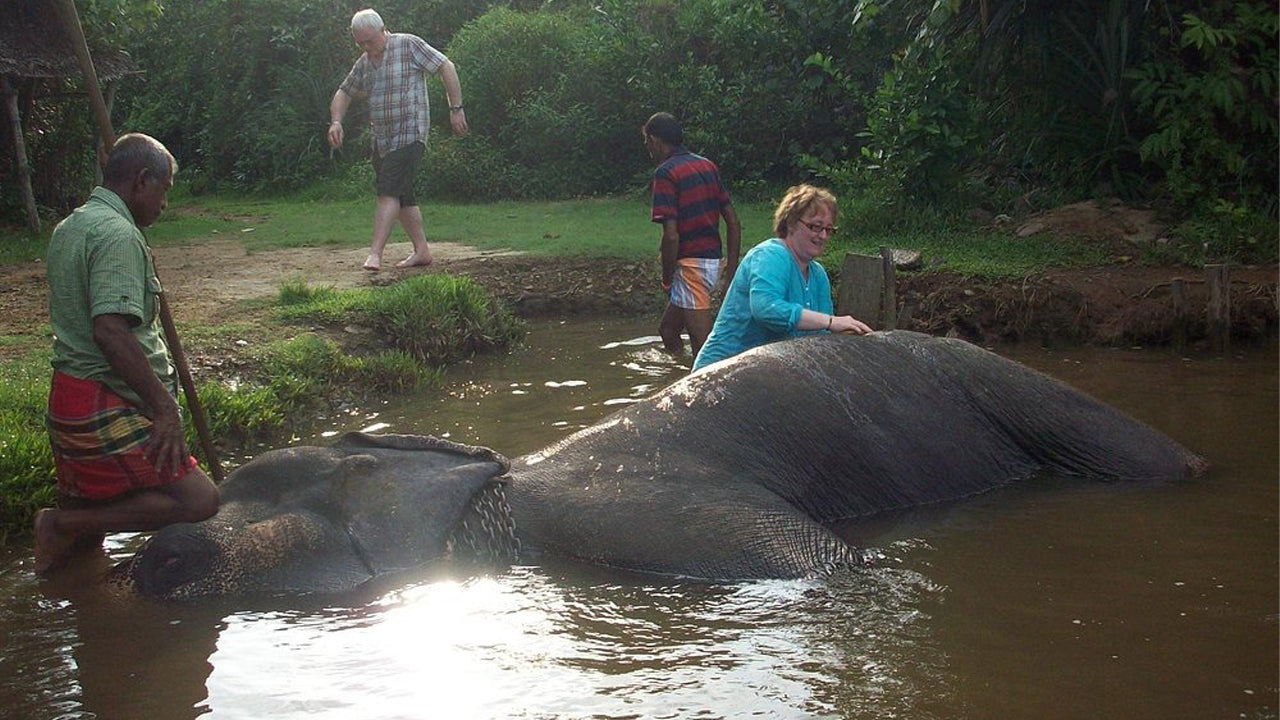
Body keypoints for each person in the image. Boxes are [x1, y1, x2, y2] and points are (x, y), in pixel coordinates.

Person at [34, 133, 220, 575]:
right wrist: (164, 408)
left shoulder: (72, 224)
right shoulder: (118, 234)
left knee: (80, 561)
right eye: (165, 190)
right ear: (142, 181)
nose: (165, 204)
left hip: (71, 395)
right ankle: (60, 524)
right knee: (200, 500)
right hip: (103, 398)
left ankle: (81, 607)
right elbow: (111, 332)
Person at [328, 8, 469, 272]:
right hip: (382, 139)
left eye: (370, 40)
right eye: (361, 43)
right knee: (402, 195)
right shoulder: (364, 62)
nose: (367, 47)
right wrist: (336, 121)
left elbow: (445, 66)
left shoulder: (408, 45)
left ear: (383, 30)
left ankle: (375, 254)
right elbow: (343, 92)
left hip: (410, 133)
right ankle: (422, 251)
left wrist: (456, 108)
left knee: (388, 189)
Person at [691, 184, 872, 371]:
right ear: (791, 223)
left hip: (770, 374)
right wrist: (832, 321)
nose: (823, 236)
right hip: (720, 372)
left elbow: (821, 339)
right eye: (816, 227)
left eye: (829, 229)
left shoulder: (818, 275)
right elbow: (766, 310)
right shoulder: (771, 255)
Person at [644, 112, 741, 358]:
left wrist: (666, 278)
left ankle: (706, 388)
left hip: (690, 268)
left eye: (647, 142)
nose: (648, 149)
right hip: (712, 262)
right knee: (668, 330)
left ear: (655, 140)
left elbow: (672, 236)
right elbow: (733, 221)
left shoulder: (665, 173)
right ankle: (677, 374)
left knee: (706, 350)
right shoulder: (706, 165)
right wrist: (730, 270)